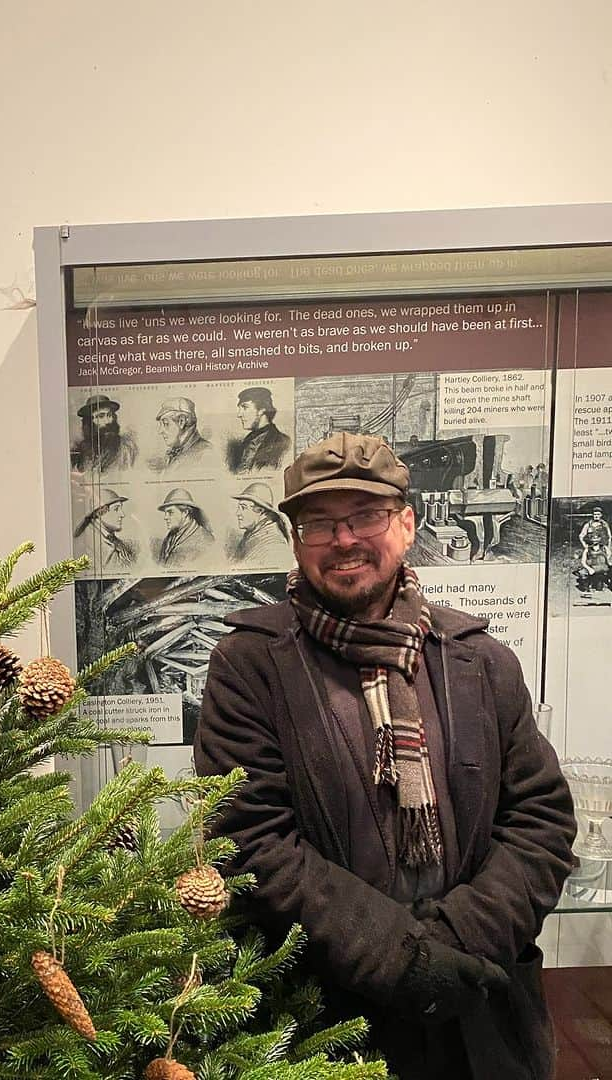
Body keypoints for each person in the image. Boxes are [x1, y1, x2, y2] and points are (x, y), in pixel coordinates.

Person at [195, 431, 575, 1080]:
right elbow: (252, 838)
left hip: (477, 1013)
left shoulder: (480, 661)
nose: (344, 539)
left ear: (406, 524)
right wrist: (400, 957)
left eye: (365, 515)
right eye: (319, 523)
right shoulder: (250, 665)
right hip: (319, 1020)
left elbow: (539, 821)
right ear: (297, 542)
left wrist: (457, 943)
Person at [226, 481, 292, 568]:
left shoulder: (273, 545)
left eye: (243, 508)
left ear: (260, 511)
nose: (238, 513)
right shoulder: (253, 533)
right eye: (238, 508)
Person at [226, 387, 291, 473]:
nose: (239, 414)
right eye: (239, 408)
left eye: (245, 407)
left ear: (261, 410)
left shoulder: (283, 443)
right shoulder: (246, 442)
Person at [70, 394, 137, 474]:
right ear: (89, 422)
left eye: (110, 415)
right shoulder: (78, 453)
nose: (108, 421)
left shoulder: (126, 449)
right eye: (101, 416)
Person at [72, 488, 137, 570]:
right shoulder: (90, 544)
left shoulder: (110, 538)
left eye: (121, 508)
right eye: (116, 509)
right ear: (99, 513)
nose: (122, 514)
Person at [150, 397, 213, 476]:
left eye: (166, 424)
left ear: (181, 421)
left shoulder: (205, 453)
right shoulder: (173, 452)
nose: (160, 431)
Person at [153, 488, 214, 567]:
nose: (165, 517)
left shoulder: (206, 541)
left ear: (185, 513)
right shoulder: (168, 538)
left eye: (170, 512)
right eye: (165, 513)